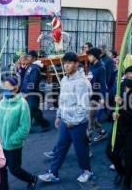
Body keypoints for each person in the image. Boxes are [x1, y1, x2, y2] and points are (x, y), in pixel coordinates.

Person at [38, 52, 93, 183]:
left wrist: (74, 121)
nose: (66, 65)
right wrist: (58, 116)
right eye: (65, 63)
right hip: (64, 121)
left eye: (69, 62)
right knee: (60, 147)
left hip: (78, 123)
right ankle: (53, 173)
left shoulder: (82, 83)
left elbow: (83, 106)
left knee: (81, 149)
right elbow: (62, 101)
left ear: (76, 64)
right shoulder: (64, 79)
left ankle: (87, 171)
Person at [0, 76, 38, 190]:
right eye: (4, 87)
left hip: (13, 146)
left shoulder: (22, 104)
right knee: (0, 169)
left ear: (16, 88)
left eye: (8, 87)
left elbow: (25, 128)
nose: (6, 89)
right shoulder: (3, 101)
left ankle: (32, 179)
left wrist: (12, 140)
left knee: (15, 169)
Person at [106, 66, 132, 190]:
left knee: (129, 158)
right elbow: (111, 103)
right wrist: (112, 113)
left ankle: (127, 183)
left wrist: (123, 104)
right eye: (127, 76)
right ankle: (121, 171)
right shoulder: (119, 88)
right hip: (119, 126)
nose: (128, 79)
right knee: (110, 153)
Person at [21, 50, 50, 132]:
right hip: (30, 93)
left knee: (32, 109)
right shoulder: (31, 66)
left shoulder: (34, 68)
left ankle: (44, 124)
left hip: (32, 93)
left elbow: (32, 83)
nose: (27, 58)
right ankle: (28, 127)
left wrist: (27, 92)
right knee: (30, 110)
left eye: (29, 56)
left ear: (33, 58)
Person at [87, 48, 108, 142]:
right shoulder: (91, 66)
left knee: (90, 116)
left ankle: (88, 138)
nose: (88, 57)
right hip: (89, 94)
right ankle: (102, 131)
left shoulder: (102, 68)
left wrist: (102, 98)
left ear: (95, 56)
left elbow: (103, 84)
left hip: (96, 95)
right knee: (91, 116)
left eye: (90, 56)